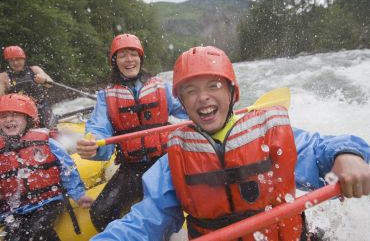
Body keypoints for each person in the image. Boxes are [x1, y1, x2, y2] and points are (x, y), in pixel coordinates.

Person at [90, 46, 370, 241]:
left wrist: (347, 154)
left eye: (214, 86)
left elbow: (322, 149)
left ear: (233, 92)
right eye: (191, 91)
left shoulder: (270, 134)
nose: (203, 98)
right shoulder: (172, 161)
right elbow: (145, 221)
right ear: (182, 104)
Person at [76, 33, 188, 231]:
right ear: (114, 61)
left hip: (164, 160)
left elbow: (187, 109)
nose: (129, 60)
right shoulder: (106, 96)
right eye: (122, 55)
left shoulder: (161, 86)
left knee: (168, 204)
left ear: (141, 58)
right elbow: (98, 127)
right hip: (132, 166)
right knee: (101, 213)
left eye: (133, 54)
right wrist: (93, 142)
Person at [0, 93, 94, 241]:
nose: (9, 119)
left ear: (28, 119)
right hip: (17, 209)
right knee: (13, 238)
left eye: (15, 115)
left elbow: (67, 168)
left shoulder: (46, 142)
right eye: (3, 116)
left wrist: (78, 195)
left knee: (38, 230)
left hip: (49, 201)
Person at [0, 45, 56, 128]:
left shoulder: (35, 70)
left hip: (41, 108)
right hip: (20, 113)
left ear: (23, 59)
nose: (15, 63)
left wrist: (44, 80)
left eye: (17, 59)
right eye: (11, 60)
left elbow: (51, 84)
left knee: (47, 127)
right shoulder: (3, 77)